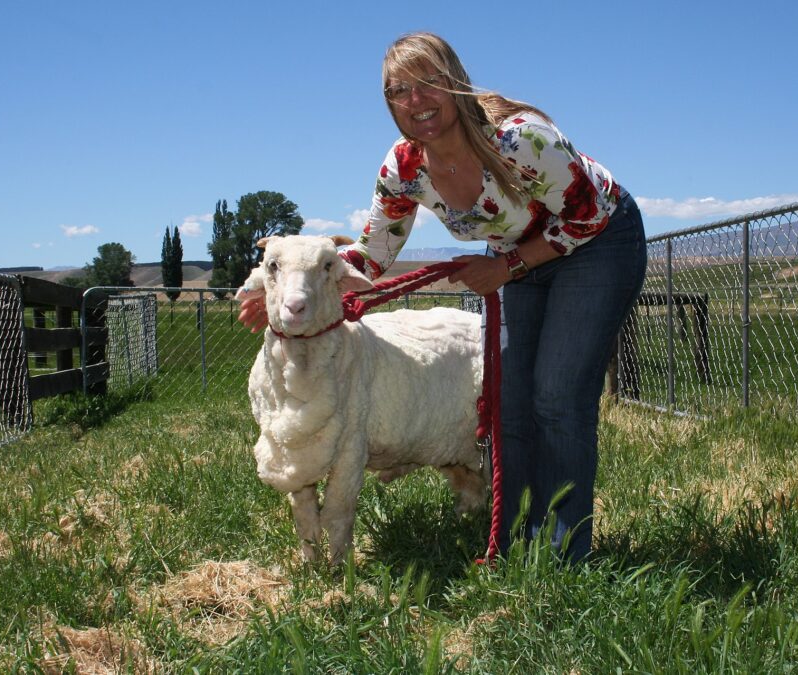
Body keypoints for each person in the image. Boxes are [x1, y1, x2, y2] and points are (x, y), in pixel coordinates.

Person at [240, 31, 646, 563]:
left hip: (597, 242)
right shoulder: (405, 167)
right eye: (399, 91)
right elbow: (373, 251)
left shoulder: (519, 140)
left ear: (455, 82)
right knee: (511, 400)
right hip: (516, 257)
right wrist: (300, 286)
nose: (416, 101)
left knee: (556, 397)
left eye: (429, 81)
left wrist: (506, 266)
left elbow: (589, 213)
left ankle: (566, 554)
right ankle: (516, 539)